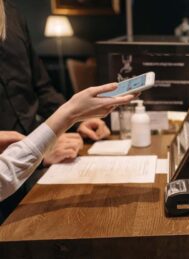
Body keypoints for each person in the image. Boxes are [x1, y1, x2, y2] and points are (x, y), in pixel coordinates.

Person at [0, 0, 111, 165]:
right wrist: (37, 154)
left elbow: (42, 88)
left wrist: (77, 121)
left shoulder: (13, 15)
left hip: (38, 156)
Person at [0, 83, 134, 202]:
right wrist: (70, 114)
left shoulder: (23, 53)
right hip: (14, 182)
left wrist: (78, 122)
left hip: (35, 151)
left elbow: (44, 92)